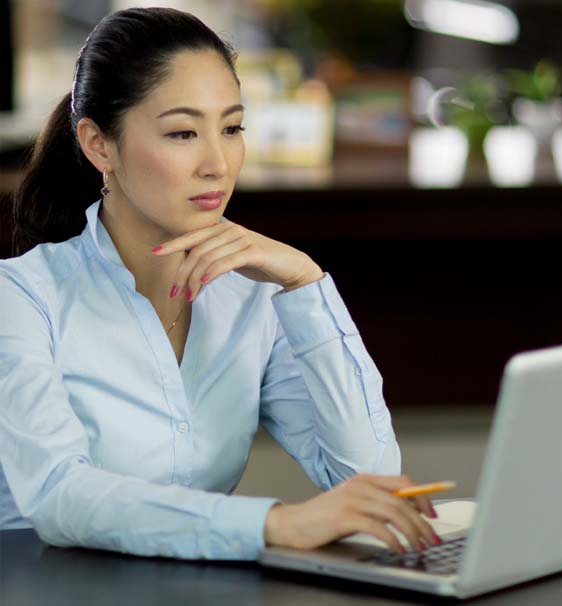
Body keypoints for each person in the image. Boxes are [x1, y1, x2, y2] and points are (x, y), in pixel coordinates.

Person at [0, 7, 440, 560]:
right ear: (98, 145)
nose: (218, 163)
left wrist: (306, 282)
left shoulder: (251, 297)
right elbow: (59, 497)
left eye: (231, 128)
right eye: (183, 132)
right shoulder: (21, 298)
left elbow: (367, 474)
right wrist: (274, 524)